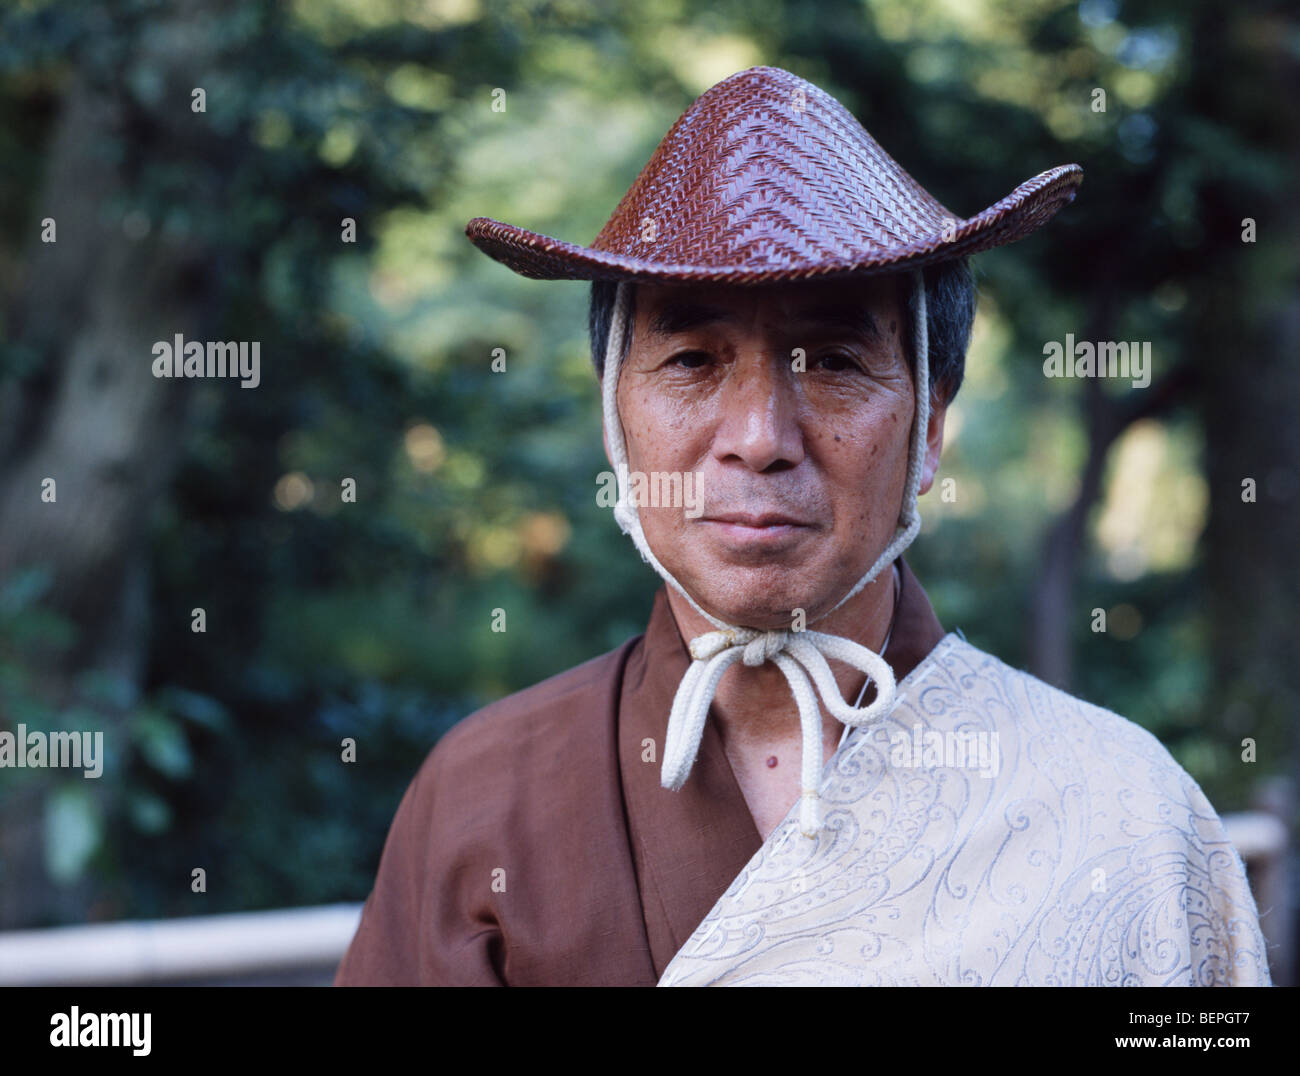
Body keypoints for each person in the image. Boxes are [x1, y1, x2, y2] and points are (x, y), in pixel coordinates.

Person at [335, 66, 1270, 986]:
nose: (759, 438)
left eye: (831, 362)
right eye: (691, 359)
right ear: (614, 420)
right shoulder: (483, 796)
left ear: (929, 427)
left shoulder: (1124, 814)